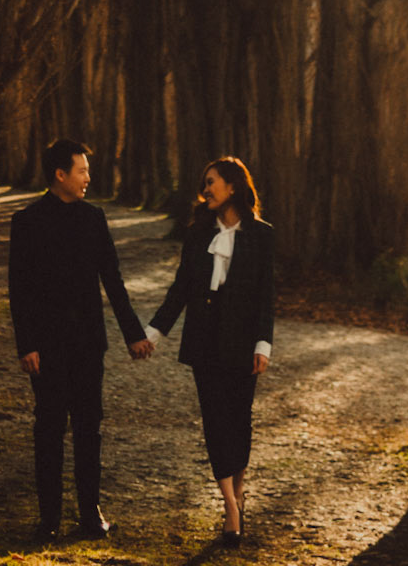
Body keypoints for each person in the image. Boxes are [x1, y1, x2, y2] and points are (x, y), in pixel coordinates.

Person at [7, 137, 154, 542]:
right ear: (60, 174)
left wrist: (133, 335)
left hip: (89, 345)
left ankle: (90, 516)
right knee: (49, 429)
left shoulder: (94, 219)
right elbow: (18, 291)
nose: (89, 176)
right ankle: (48, 519)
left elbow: (113, 281)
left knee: (90, 430)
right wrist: (27, 345)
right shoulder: (28, 221)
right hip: (47, 348)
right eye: (82, 170)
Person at [143, 157, 273, 547]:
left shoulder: (262, 234)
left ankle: (238, 489)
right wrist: (153, 332)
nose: (206, 188)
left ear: (233, 186)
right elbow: (181, 288)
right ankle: (231, 507)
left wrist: (263, 344)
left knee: (240, 421)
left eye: (212, 182)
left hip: (244, 344)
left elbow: (266, 295)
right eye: (205, 182)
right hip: (204, 343)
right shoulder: (198, 233)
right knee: (215, 422)